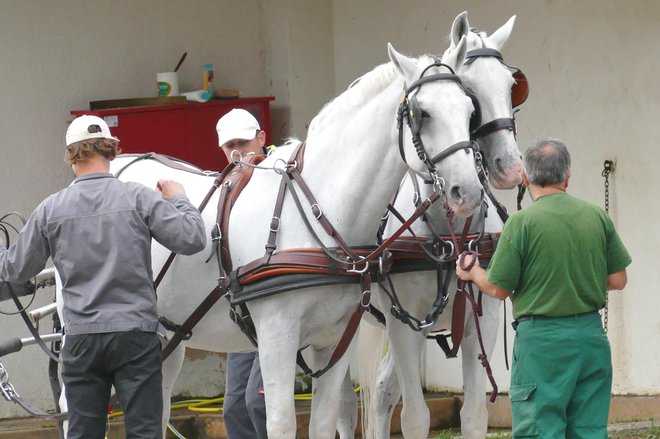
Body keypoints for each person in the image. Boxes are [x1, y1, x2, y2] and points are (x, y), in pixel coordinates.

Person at [0, 115, 206, 439]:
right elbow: (193, 239)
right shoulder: (139, 197)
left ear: (70, 155)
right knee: (145, 433)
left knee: (83, 434)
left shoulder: (51, 209)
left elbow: (15, 269)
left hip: (82, 338)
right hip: (136, 335)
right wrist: (179, 198)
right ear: (112, 151)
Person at [456, 137, 631, 439]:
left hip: (543, 344)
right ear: (568, 177)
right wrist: (577, 277)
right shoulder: (596, 216)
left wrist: (473, 273)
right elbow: (618, 280)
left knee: (540, 430)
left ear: (524, 176)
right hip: (590, 339)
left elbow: (497, 288)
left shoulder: (521, 223)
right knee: (589, 431)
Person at [216, 108, 269, 439]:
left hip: (282, 308)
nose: (237, 152)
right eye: (229, 145)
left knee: (258, 402)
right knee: (234, 407)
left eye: (244, 142)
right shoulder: (226, 185)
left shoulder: (287, 173)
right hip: (244, 311)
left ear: (262, 138)